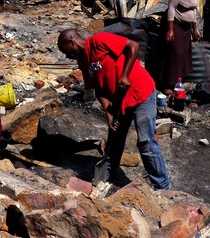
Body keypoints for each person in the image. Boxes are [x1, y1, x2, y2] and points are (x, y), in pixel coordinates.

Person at [57, 29, 171, 190]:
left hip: (141, 93)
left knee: (146, 142)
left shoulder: (99, 40)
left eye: (66, 51)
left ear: (72, 43)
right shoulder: (83, 62)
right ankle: (107, 175)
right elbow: (97, 89)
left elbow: (133, 45)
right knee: (115, 138)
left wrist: (125, 75)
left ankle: (162, 186)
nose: (68, 56)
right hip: (119, 102)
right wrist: (108, 112)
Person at [158, 0, 206, 95]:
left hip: (186, 28)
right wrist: (170, 29)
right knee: (175, 53)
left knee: (184, 54)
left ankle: (177, 81)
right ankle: (167, 84)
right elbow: (171, 8)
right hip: (176, 26)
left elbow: (193, 11)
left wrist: (194, 29)